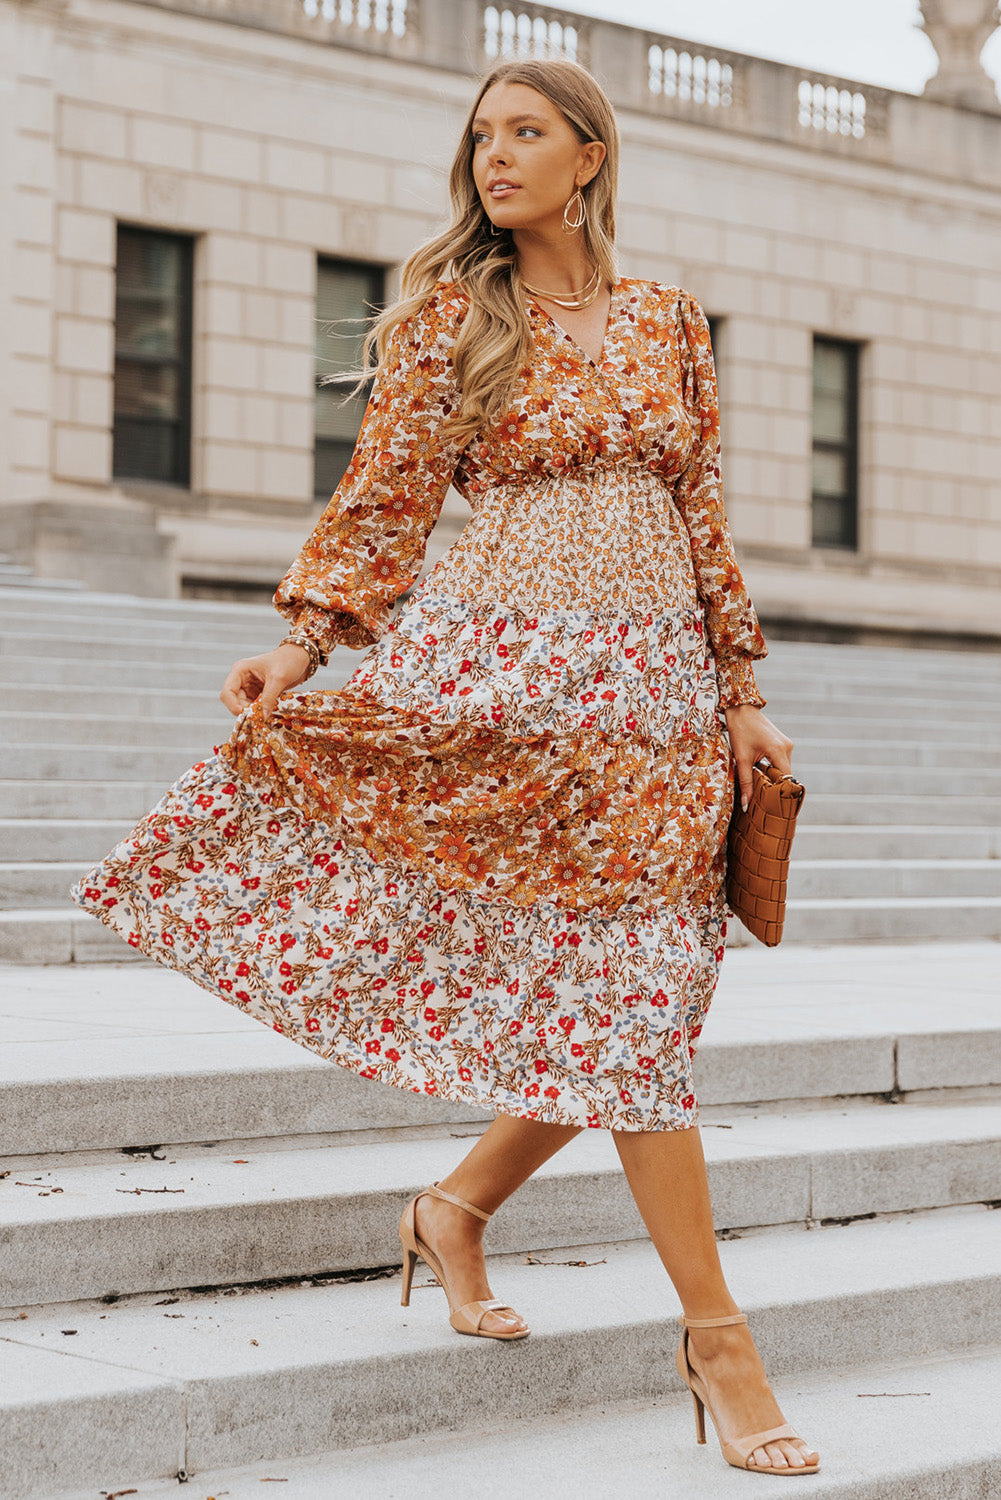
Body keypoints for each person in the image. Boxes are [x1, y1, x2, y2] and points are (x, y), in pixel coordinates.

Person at [71, 57, 816, 1476]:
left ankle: (454, 1208)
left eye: (525, 134)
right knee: (613, 1011)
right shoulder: (446, 319)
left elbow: (700, 504)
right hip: (508, 679)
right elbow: (385, 496)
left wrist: (740, 692)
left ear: (588, 157)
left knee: (631, 996)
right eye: (481, 136)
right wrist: (303, 644)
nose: (495, 157)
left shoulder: (666, 321)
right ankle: (717, 1340)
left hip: (654, 698)